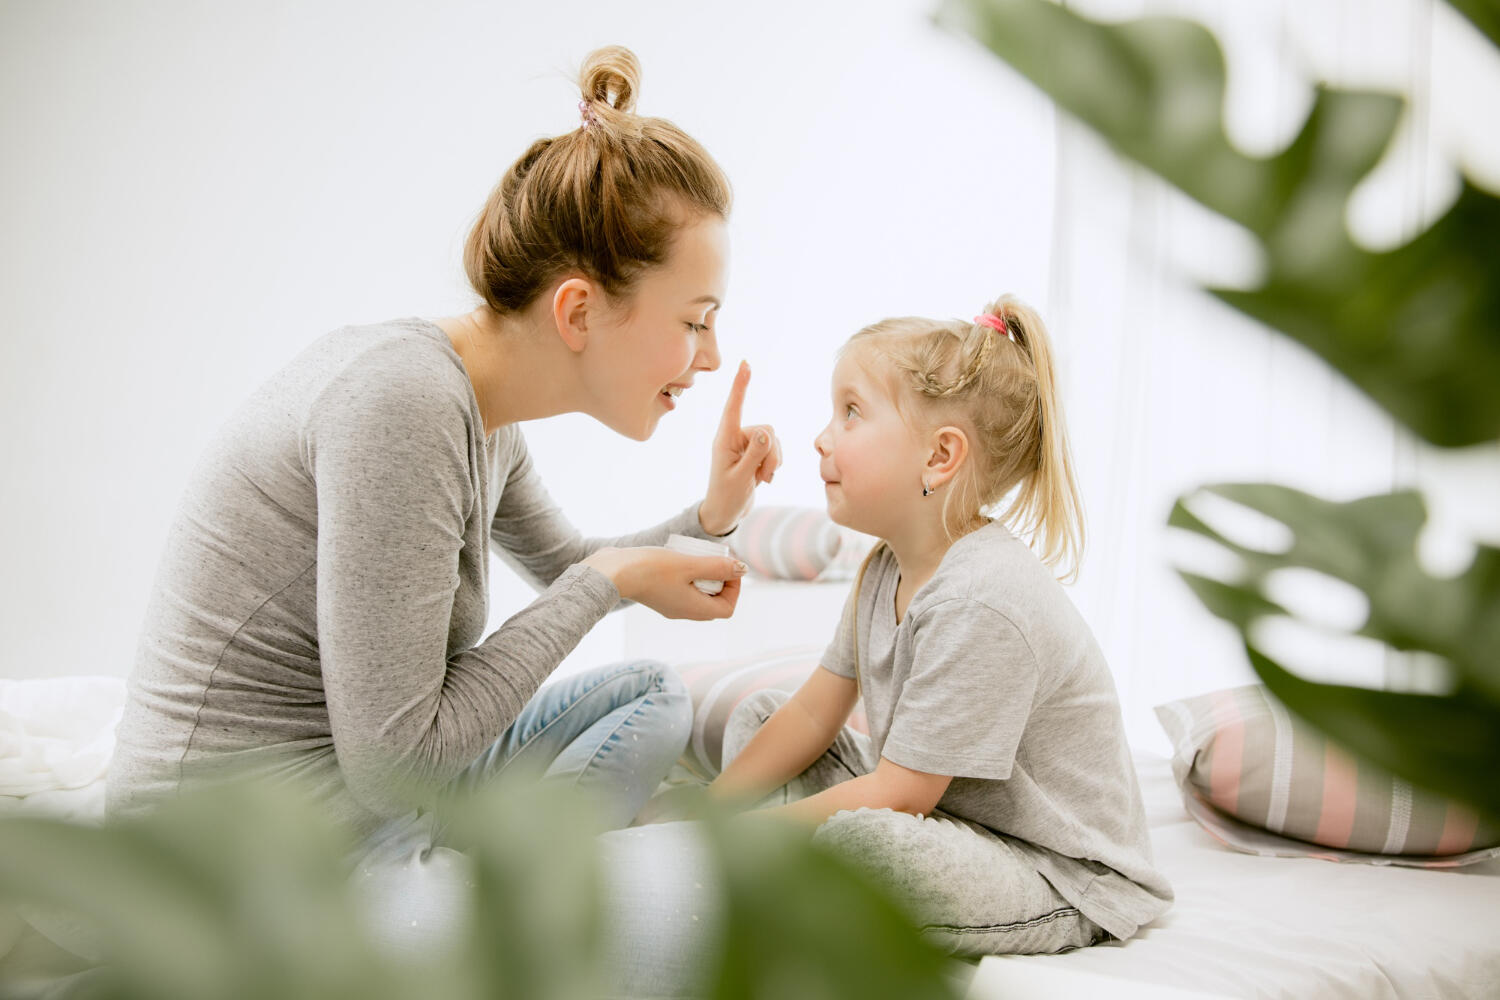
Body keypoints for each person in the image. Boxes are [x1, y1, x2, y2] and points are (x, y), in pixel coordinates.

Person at [105, 43, 783, 884]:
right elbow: (395, 769)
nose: (712, 355)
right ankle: (477, 898)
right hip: (235, 862)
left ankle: (477, 888)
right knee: (658, 920)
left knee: (650, 697)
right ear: (577, 310)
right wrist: (603, 582)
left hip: (362, 808)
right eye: (695, 320)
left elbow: (576, 565)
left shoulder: (473, 407)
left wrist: (710, 516)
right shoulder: (404, 406)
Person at [693, 294, 1174, 957]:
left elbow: (901, 794)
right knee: (759, 722)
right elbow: (812, 716)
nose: (822, 437)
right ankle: (748, 872)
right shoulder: (883, 568)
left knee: (866, 847)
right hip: (949, 815)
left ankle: (753, 881)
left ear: (940, 457)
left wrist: (744, 836)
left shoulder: (982, 597)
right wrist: (711, 811)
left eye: (852, 412)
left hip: (1056, 870)